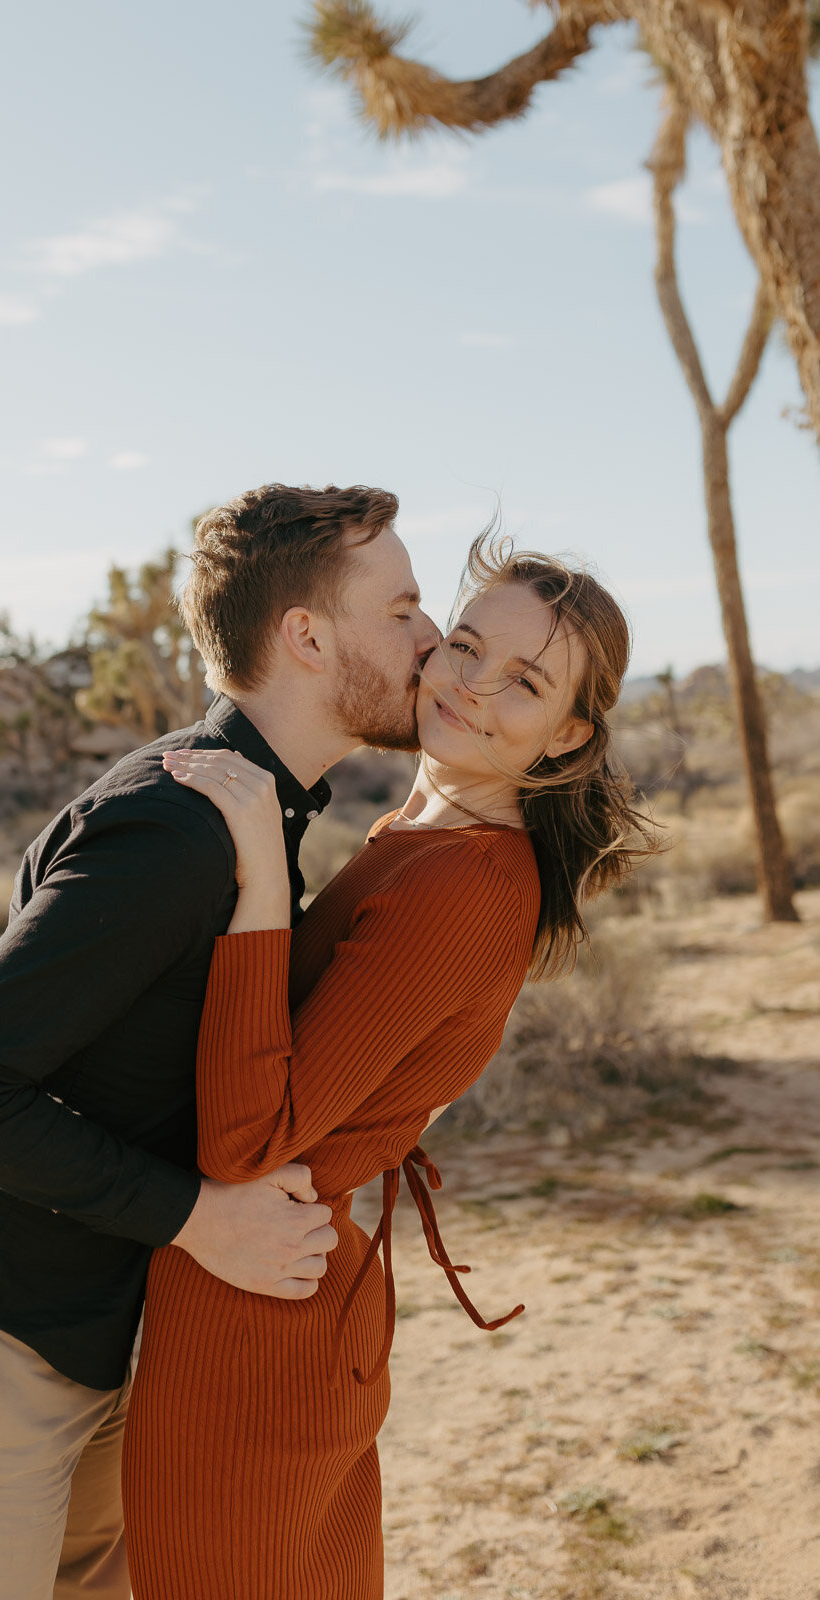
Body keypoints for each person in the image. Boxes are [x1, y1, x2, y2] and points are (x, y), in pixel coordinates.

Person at [0, 483, 441, 1600]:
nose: (429, 636)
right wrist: (204, 1220)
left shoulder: (245, 811)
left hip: (77, 1352)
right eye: (398, 609)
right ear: (304, 635)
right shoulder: (176, 823)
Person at [123, 535, 657, 1600]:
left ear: (566, 738)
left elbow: (247, 1135)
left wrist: (259, 874)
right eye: (462, 645)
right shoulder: (419, 836)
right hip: (273, 1285)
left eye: (525, 684)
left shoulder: (465, 880)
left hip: (255, 1327)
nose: (469, 685)